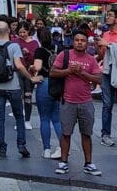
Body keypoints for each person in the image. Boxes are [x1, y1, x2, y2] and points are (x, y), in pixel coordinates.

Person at [51, 30, 103, 176]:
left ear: (87, 43)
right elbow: (53, 72)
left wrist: (82, 73)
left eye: (83, 40)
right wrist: (68, 71)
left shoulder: (91, 59)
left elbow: (98, 79)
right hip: (67, 101)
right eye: (77, 40)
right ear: (72, 42)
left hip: (86, 102)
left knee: (86, 134)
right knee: (66, 133)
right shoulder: (64, 55)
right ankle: (63, 162)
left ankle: (88, 163)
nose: (80, 42)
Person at [0, 18, 32, 158]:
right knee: (19, 116)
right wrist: (30, 78)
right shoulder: (14, 46)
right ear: (9, 31)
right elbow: (19, 65)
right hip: (13, 86)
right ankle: (21, 145)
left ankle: (2, 147)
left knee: (0, 117)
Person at [30, 27, 62, 159]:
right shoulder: (58, 48)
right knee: (57, 118)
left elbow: (37, 67)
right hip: (57, 83)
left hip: (44, 84)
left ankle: (47, 149)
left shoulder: (39, 51)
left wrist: (31, 68)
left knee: (44, 118)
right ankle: (62, 147)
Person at [98, 8, 117, 147]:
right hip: (106, 71)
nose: (107, 18)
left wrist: (109, 45)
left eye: (110, 15)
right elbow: (101, 54)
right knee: (107, 104)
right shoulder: (105, 33)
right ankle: (105, 134)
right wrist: (99, 47)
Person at [14, 20, 39, 130]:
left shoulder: (34, 43)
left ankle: (27, 120)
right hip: (17, 72)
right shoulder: (14, 42)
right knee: (18, 97)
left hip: (30, 73)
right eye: (20, 32)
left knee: (28, 96)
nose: (22, 34)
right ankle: (19, 120)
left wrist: (28, 53)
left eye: (24, 32)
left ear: (28, 31)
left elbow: (36, 59)